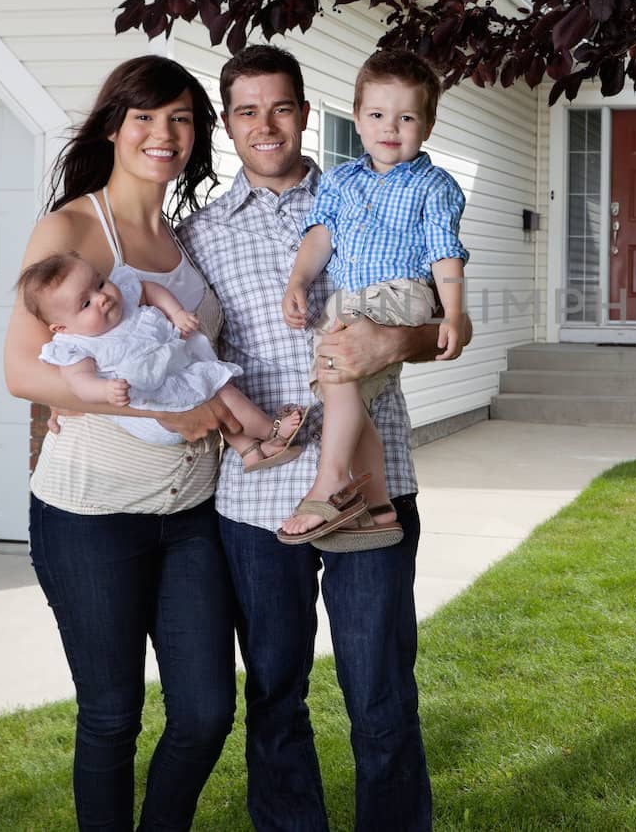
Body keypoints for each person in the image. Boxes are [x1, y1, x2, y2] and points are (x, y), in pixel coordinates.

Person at [177, 44, 469, 832]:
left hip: (375, 481)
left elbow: (443, 324)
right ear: (229, 125)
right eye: (246, 111)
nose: (265, 125)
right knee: (275, 691)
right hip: (257, 498)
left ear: (307, 114)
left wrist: (389, 345)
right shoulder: (199, 236)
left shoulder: (375, 189)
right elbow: (185, 358)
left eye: (280, 107)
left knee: (379, 691)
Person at [3, 56, 241, 832]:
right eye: (144, 116)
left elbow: (187, 359)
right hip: (92, 513)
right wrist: (154, 413)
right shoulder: (73, 227)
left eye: (179, 117)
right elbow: (20, 370)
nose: (162, 133)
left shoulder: (184, 238)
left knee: (206, 711)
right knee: (111, 713)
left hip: (192, 511)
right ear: (113, 126)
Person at [279, 50, 468, 547]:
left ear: (427, 126)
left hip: (399, 293)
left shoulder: (433, 185)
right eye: (378, 115)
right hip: (349, 298)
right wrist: (298, 281)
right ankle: (379, 504)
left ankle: (331, 481)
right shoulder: (341, 181)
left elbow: (445, 253)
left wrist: (453, 312)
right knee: (339, 384)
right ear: (358, 119)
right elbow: (321, 237)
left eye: (407, 117)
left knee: (338, 368)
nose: (391, 127)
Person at [19, 251, 303, 471]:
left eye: (100, 283)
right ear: (61, 328)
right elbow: (79, 384)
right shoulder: (76, 345)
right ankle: (270, 430)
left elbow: (149, 289)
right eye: (85, 304)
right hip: (152, 407)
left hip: (175, 376)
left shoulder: (124, 299)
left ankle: (251, 452)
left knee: (216, 398)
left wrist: (176, 312)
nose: (102, 298)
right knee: (222, 394)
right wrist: (104, 391)